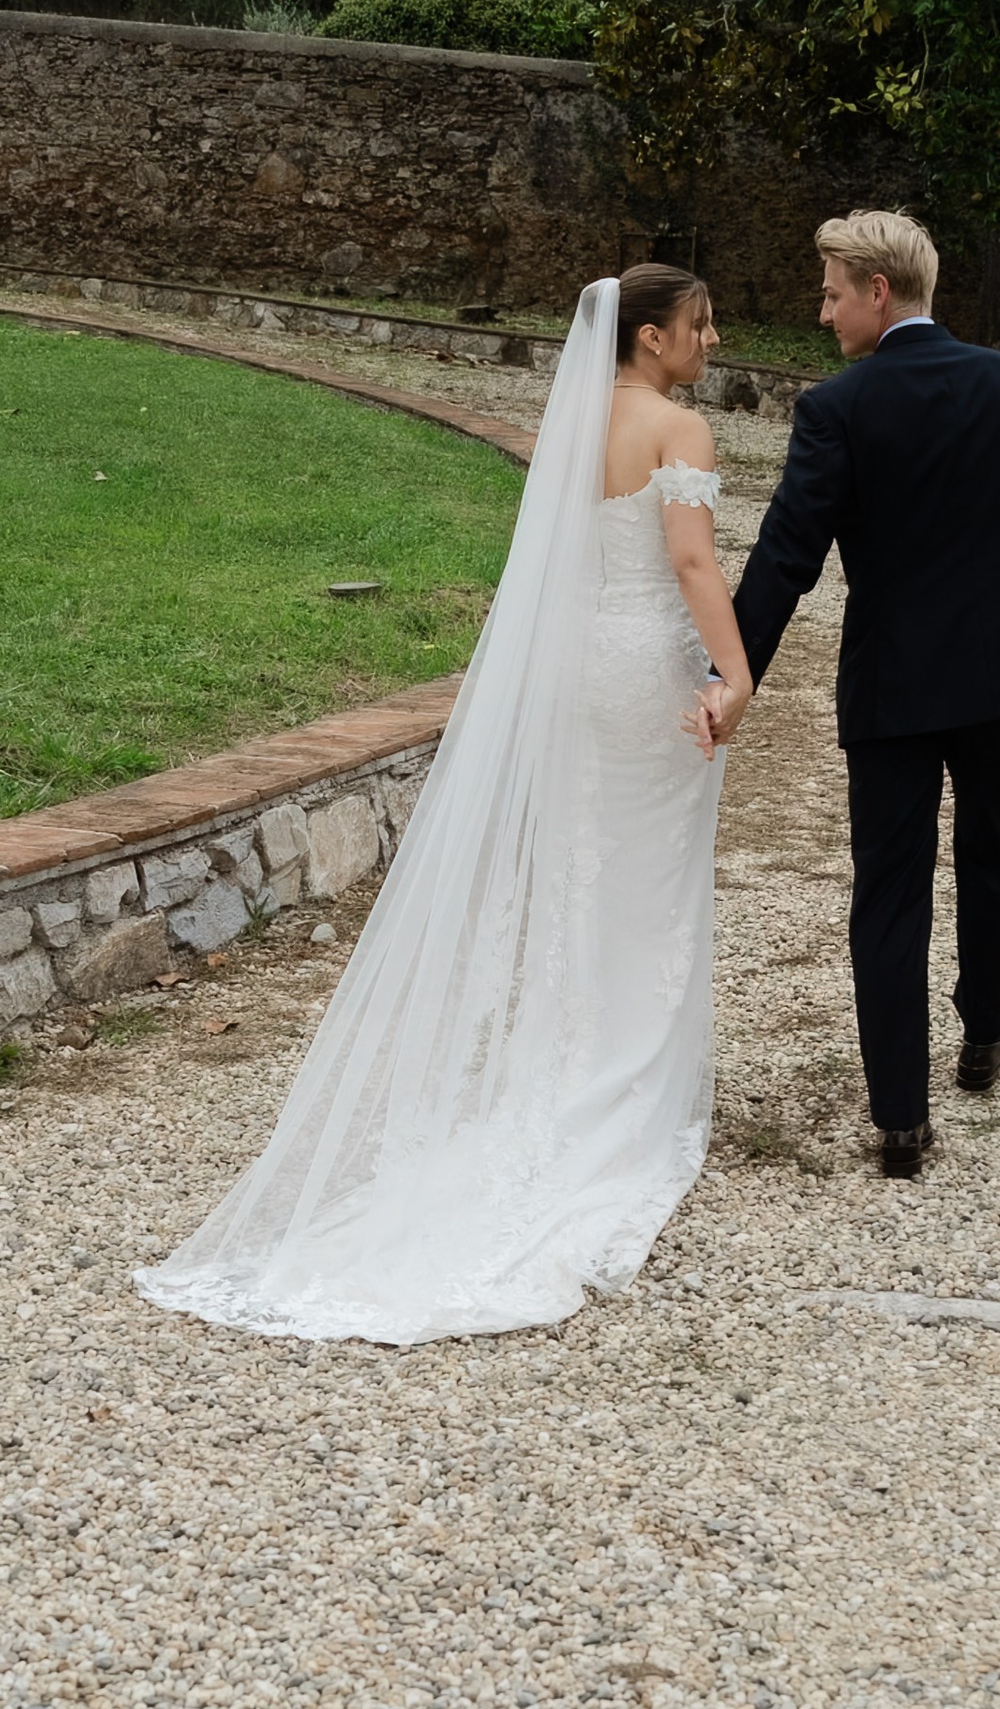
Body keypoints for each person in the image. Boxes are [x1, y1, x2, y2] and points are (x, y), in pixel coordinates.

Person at [136, 266, 754, 1343]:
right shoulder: (678, 430)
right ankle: (620, 1086)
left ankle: (571, 1065)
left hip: (572, 666)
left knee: (583, 865)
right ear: (651, 337)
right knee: (645, 879)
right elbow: (692, 562)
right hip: (644, 668)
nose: (710, 342)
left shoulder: (573, 424)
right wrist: (735, 674)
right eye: (698, 327)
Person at [723, 209, 1000, 1180]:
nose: (822, 309)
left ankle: (898, 1119)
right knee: (992, 847)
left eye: (832, 292)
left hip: (894, 683)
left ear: (879, 292)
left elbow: (785, 556)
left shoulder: (839, 409)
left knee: (890, 887)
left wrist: (730, 671)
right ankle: (981, 1036)